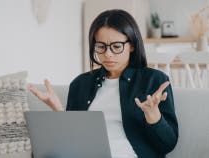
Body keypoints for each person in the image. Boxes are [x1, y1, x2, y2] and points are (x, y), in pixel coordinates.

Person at [29, 9, 178, 158]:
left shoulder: (155, 80)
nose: (108, 54)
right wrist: (59, 112)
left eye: (117, 46)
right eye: (101, 46)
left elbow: (167, 145)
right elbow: (73, 139)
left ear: (132, 45)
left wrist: (153, 117)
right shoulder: (80, 84)